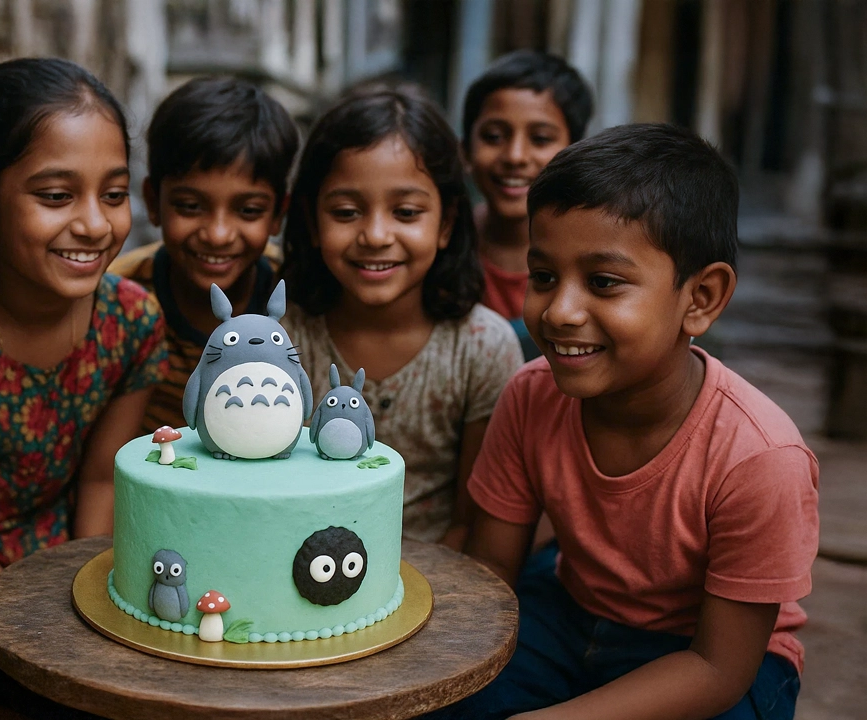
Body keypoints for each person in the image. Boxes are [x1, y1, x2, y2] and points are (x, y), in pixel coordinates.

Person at [450, 124, 819, 720]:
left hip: (703, 655)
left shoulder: (760, 459)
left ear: (700, 298)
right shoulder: (529, 396)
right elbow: (491, 578)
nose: (561, 312)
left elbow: (719, 668)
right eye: (543, 277)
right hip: (565, 614)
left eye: (603, 283)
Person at [0, 58, 167, 596]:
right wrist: (13, 612)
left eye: (113, 196)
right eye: (56, 196)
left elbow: (100, 482)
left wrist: (81, 591)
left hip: (69, 560)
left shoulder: (130, 322)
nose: (95, 225)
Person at [280, 86, 523, 550]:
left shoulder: (481, 348)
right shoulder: (282, 341)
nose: (375, 235)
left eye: (406, 212)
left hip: (439, 581)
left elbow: (473, 519)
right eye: (347, 212)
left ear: (447, 222)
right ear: (311, 221)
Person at [109, 76, 299, 432]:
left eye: (249, 211)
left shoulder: (297, 298)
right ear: (153, 201)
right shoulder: (119, 297)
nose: (218, 234)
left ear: (277, 215)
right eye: (190, 206)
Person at [462, 50, 592, 360]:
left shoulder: (596, 257)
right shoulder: (436, 248)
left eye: (540, 138)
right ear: (465, 149)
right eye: (494, 136)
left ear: (576, 151)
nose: (515, 156)